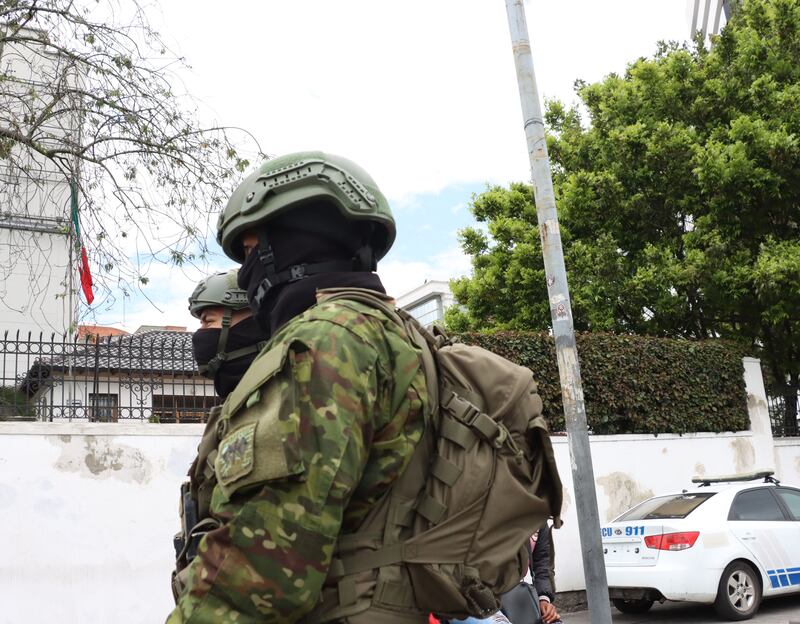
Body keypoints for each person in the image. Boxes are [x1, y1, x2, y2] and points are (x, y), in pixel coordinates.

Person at [167, 151, 429, 623]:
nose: (247, 275)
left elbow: (258, 576)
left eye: (249, 253)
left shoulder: (326, 341)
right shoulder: (392, 332)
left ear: (288, 241)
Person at [188, 269, 268, 398]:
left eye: (208, 321)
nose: (200, 333)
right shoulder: (239, 398)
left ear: (248, 324)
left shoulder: (281, 392)